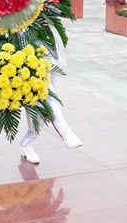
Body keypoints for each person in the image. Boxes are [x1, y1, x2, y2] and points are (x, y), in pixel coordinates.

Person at [17, 22, 83, 163]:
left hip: (48, 42)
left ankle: (28, 142)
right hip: (25, 42)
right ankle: (66, 133)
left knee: (43, 100)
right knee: (46, 94)